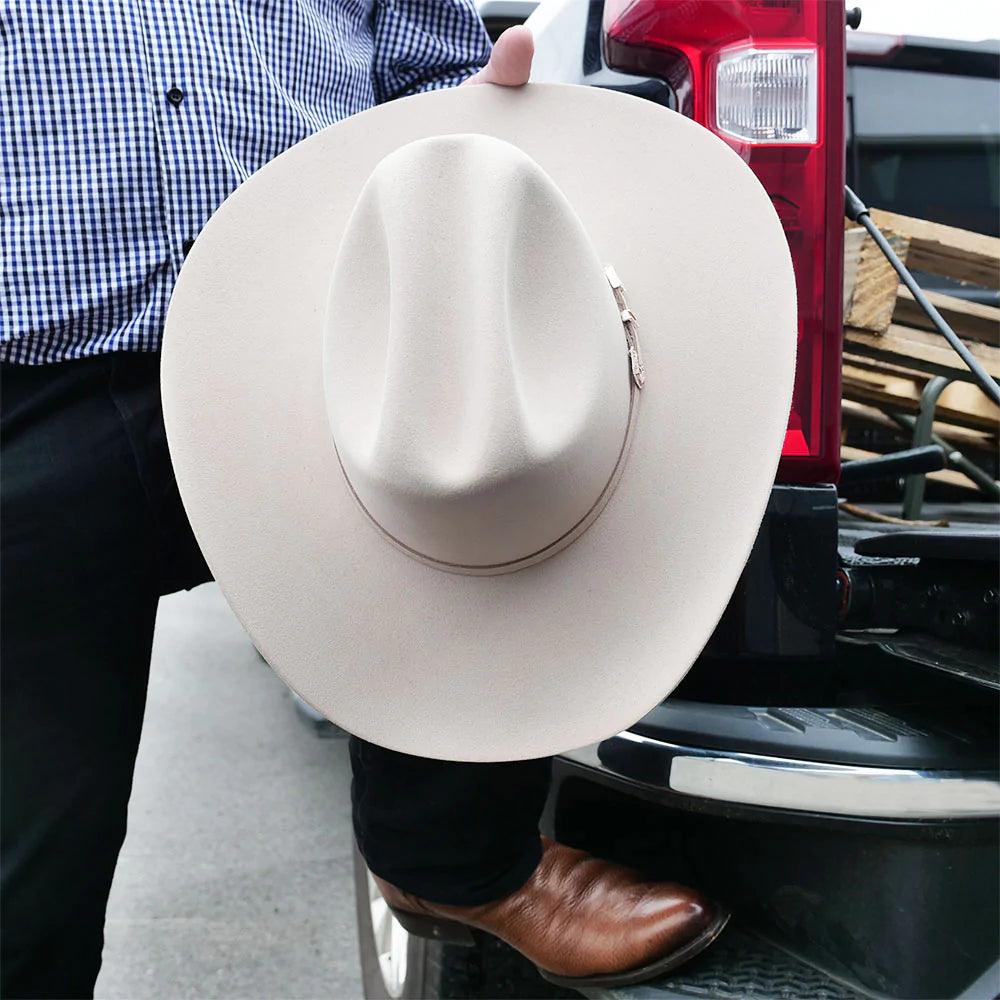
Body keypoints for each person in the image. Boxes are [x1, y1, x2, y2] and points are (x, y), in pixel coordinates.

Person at [1, 4, 720, 997]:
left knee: (465, 487)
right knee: (27, 885)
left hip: (317, 338)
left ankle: (462, 863)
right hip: (33, 362)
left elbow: (434, 66)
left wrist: (472, 136)